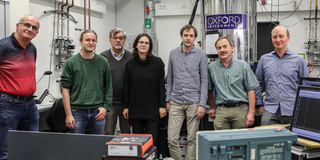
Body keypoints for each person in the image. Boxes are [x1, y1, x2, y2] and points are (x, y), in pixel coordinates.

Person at [0, 14, 40, 160]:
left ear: (36, 33)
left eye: (34, 27)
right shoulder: (3, 46)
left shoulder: (32, 48)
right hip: (8, 105)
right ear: (18, 26)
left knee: (31, 149)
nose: (30, 29)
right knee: (6, 152)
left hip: (30, 105)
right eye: (26, 25)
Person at [166, 24, 208, 160]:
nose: (188, 38)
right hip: (176, 101)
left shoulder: (201, 55)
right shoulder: (173, 53)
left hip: (194, 102)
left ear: (195, 38)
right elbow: (170, 77)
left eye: (191, 36)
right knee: (171, 139)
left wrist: (202, 104)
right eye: (186, 35)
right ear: (181, 37)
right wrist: (168, 99)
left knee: (192, 139)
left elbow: (204, 80)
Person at [61, 29, 112, 134]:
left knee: (97, 145)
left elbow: (109, 87)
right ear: (81, 42)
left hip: (98, 112)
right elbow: (65, 89)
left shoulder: (103, 62)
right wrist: (68, 114)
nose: (91, 43)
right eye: (87, 40)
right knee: (76, 146)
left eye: (94, 40)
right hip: (77, 112)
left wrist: (105, 107)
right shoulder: (71, 63)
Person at [255, 25, 309, 125]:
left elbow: (306, 86)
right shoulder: (264, 60)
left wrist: (303, 108)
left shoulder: (299, 60)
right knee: (266, 139)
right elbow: (257, 83)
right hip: (270, 110)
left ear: (288, 38)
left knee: (294, 140)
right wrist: (258, 105)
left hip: (292, 110)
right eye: (275, 37)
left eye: (281, 36)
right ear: (271, 39)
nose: (278, 39)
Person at [123, 33, 166, 148]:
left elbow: (162, 85)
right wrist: (126, 107)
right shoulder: (129, 64)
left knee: (152, 143)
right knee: (137, 143)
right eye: (141, 42)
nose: (143, 45)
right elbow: (127, 86)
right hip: (135, 109)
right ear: (136, 45)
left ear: (150, 46)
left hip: (153, 110)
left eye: (146, 43)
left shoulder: (158, 63)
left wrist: (162, 106)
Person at [207, 36, 259, 130]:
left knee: (240, 142)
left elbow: (251, 90)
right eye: (219, 48)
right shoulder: (211, 67)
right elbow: (210, 90)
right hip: (221, 110)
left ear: (232, 48)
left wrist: (251, 113)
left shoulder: (243, 66)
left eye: (225, 46)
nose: (222, 50)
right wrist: (212, 107)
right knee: (220, 141)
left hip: (240, 110)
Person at [100, 28, 132, 135]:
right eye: (115, 38)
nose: (118, 40)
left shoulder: (131, 57)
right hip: (109, 104)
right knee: (107, 134)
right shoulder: (103, 57)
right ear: (110, 40)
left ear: (124, 40)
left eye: (121, 38)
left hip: (126, 104)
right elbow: (99, 81)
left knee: (126, 134)